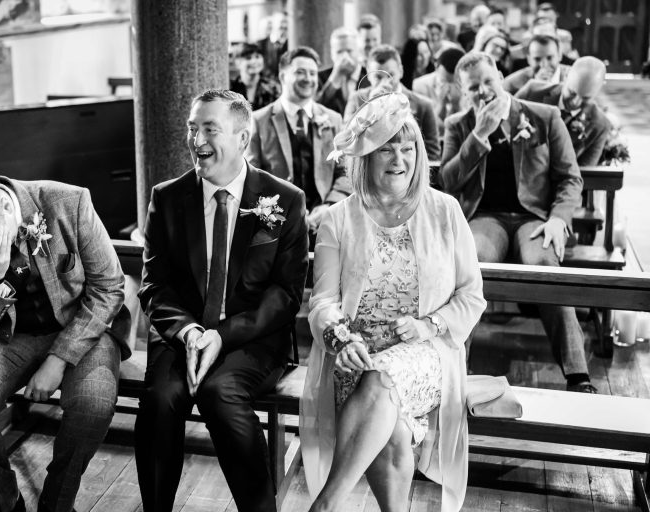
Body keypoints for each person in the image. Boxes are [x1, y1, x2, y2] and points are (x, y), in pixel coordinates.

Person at [300, 91, 486, 512]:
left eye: (408, 149)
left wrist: (430, 325)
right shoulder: (338, 218)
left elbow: (471, 297)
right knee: (392, 423)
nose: (399, 160)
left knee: (384, 382)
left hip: (427, 354)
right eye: (387, 149)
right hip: (356, 356)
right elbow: (324, 300)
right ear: (364, 157)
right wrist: (338, 339)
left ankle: (325, 505)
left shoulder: (445, 211)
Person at [136, 89, 309, 512]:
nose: (197, 141)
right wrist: (191, 332)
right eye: (192, 129)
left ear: (243, 139)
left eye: (209, 129)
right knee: (160, 399)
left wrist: (222, 335)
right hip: (183, 338)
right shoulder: (168, 197)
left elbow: (285, 296)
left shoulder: (284, 200)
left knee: (219, 391)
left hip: (253, 340)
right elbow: (154, 284)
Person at [0, 170, 132, 512]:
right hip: (5, 338)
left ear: (7, 210)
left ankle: (57, 502)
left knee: (92, 402)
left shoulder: (69, 201)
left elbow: (109, 287)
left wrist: (59, 359)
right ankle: (7, 501)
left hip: (80, 327)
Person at [441, 52, 596, 394]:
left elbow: (570, 178)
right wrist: (478, 136)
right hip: (485, 218)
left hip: (534, 218)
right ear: (463, 91)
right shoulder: (459, 124)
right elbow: (447, 182)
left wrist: (559, 219)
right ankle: (452, 370)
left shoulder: (544, 116)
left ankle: (577, 374)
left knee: (544, 265)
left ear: (499, 74)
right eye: (473, 88)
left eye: (487, 81)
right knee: (474, 264)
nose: (483, 91)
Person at [248, 47, 351, 238]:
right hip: (275, 229)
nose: (308, 79)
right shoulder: (258, 120)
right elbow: (251, 179)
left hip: (326, 226)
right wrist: (277, 214)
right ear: (282, 77)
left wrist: (328, 206)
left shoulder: (333, 119)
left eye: (312, 73)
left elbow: (345, 172)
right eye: (300, 72)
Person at [345, 44, 441, 161]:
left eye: (391, 75)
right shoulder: (357, 99)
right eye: (378, 77)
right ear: (369, 75)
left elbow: (432, 156)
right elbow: (346, 142)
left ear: (401, 71)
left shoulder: (424, 106)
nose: (385, 82)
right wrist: (370, 108)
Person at [516, 56, 611, 167]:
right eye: (572, 92)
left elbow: (584, 173)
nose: (575, 102)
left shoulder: (600, 125)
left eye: (586, 98)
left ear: (600, 88)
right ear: (566, 76)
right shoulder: (532, 92)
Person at [413, 46, 465, 136]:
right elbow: (426, 129)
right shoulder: (420, 85)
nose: (449, 87)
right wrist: (441, 104)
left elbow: (465, 130)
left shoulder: (470, 87)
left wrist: (457, 106)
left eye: (455, 82)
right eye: (444, 81)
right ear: (436, 66)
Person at [317, 28, 370, 114]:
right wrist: (335, 78)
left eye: (349, 51)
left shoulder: (371, 76)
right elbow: (316, 108)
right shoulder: (320, 77)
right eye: (339, 52)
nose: (344, 57)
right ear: (332, 54)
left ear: (359, 51)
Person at [503, 34, 570, 95]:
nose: (544, 65)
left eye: (549, 58)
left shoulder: (574, 76)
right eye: (537, 59)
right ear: (529, 59)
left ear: (559, 56)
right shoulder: (512, 84)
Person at [229, 43, 281, 111]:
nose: (254, 61)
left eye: (257, 57)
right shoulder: (231, 88)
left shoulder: (274, 88)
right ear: (237, 62)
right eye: (248, 58)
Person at [257, 11, 289, 78]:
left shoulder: (290, 45)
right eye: (282, 21)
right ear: (272, 24)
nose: (284, 25)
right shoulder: (260, 44)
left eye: (286, 22)